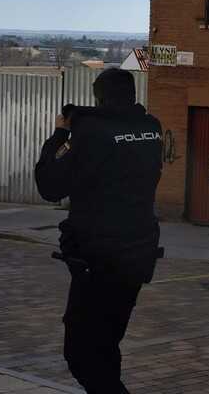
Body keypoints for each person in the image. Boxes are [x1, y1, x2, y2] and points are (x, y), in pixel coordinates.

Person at [34, 69, 163, 394]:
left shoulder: (90, 131)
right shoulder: (151, 128)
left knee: (80, 354)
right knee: (106, 345)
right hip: (138, 255)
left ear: (99, 95)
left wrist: (60, 136)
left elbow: (50, 186)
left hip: (99, 257)